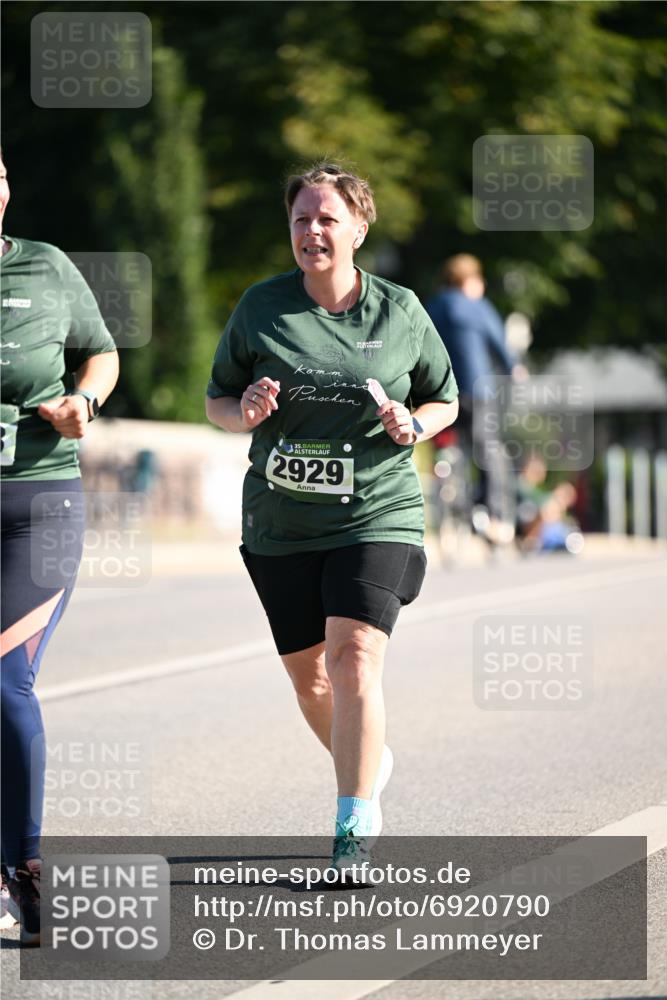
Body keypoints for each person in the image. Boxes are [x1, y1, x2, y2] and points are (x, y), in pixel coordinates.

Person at [206, 163, 458, 877]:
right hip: (281, 524)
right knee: (310, 681)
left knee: (353, 657)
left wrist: (413, 421)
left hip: (375, 510)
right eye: (299, 219)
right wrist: (244, 411)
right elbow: (217, 401)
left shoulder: (399, 309)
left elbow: (445, 398)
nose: (311, 231)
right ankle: (368, 765)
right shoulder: (262, 307)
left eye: (325, 218)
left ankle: (351, 829)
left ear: (357, 226)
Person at [0, 150, 119, 944]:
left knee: (4, 678)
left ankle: (26, 867)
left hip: (37, 503)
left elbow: (101, 353)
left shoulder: (44, 265)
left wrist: (82, 400)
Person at [426, 254, 526, 544]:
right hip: (475, 391)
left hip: (440, 392)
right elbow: (499, 343)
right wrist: (514, 368)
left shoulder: (434, 306)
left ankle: (445, 488)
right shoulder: (477, 306)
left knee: (446, 441)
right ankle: (492, 515)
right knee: (487, 449)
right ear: (470, 281)